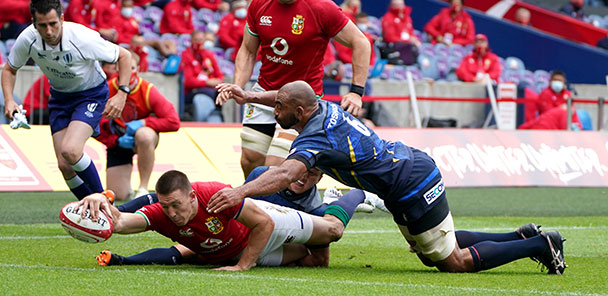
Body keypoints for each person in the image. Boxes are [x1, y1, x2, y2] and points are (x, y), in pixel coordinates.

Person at [208, 80, 568, 275]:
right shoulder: (320, 106)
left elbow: (287, 173)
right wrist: (251, 95)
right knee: (430, 253)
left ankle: (540, 245)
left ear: (298, 113)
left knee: (452, 262)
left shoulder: (315, 135)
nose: (276, 109)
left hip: (412, 181)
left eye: (279, 108)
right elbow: (289, 95)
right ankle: (519, 236)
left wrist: (239, 191)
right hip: (403, 173)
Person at [217, 0, 371, 177]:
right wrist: (238, 85)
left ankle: (283, 208)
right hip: (263, 93)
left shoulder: (321, 8)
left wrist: (356, 91)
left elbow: (362, 43)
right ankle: (263, 207)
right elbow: (248, 51)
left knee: (275, 166)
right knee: (251, 161)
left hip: (301, 100)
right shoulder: (259, 4)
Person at [78, 168, 366, 270]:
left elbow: (263, 224)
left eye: (177, 205)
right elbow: (122, 223)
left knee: (334, 230)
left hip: (265, 227)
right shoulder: (162, 214)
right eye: (166, 207)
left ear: (192, 197)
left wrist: (242, 267)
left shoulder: (215, 195)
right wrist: (102, 200)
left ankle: (359, 193)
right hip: (237, 248)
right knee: (316, 262)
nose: (172, 214)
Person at [1, 0, 132, 200]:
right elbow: (10, 69)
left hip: (91, 94)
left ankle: (104, 203)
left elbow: (125, 56)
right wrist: (9, 100)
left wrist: (121, 94)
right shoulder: (27, 38)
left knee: (71, 151)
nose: (49, 31)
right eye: (42, 25)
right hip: (60, 98)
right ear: (34, 24)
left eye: (53, 23)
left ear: (62, 19)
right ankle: (93, 213)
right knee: (64, 165)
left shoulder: (83, 37)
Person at [95, 52, 180, 200]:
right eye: (123, 68)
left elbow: (173, 121)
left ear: (138, 69)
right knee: (118, 195)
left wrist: (145, 122)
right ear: (116, 69)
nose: (128, 72)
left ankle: (143, 188)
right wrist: (114, 141)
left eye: (132, 67)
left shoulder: (148, 90)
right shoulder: (107, 89)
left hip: (143, 137)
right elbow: (95, 125)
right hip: (118, 140)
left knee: (144, 135)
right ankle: (127, 188)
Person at [181, 30, 224, 122]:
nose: (198, 43)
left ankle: (217, 117)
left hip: (212, 90)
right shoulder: (186, 55)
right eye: (196, 40)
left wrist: (217, 82)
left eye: (201, 40)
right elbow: (188, 81)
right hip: (192, 92)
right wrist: (207, 82)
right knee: (203, 97)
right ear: (191, 41)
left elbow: (219, 76)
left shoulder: (209, 55)